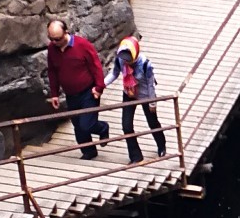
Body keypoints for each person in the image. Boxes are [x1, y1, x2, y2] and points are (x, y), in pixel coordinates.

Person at [46, 18, 110, 159]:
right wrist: (54, 94)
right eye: (51, 39)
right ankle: (88, 151)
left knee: (87, 124)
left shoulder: (82, 45)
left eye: (57, 39)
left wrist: (99, 87)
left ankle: (103, 128)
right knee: (78, 125)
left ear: (66, 32)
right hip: (70, 94)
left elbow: (96, 66)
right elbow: (52, 71)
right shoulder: (52, 49)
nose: (54, 42)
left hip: (88, 91)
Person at [113, 33, 167, 164]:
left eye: (129, 59)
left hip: (145, 95)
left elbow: (150, 85)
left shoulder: (145, 64)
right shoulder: (120, 60)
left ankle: (161, 145)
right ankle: (136, 156)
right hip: (129, 93)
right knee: (126, 126)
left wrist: (152, 103)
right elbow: (114, 74)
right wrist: (101, 85)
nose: (126, 62)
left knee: (152, 122)